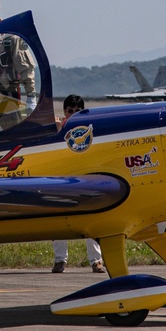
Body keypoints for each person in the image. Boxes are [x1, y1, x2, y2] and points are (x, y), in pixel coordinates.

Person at [52, 95, 106, 273]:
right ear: (64, 112)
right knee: (59, 221)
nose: (74, 114)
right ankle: (60, 260)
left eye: (78, 111)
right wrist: (57, 130)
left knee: (91, 221)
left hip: (85, 178)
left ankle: (96, 260)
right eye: (70, 111)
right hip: (62, 177)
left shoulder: (90, 129)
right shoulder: (58, 128)